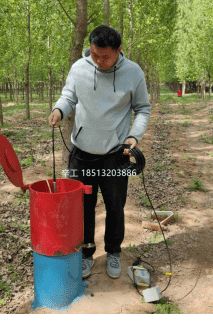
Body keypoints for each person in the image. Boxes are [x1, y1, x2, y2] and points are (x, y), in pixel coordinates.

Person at [47, 25, 151, 279]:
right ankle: (86, 254)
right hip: (81, 153)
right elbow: (69, 97)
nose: (99, 61)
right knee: (83, 208)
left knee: (115, 206)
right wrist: (59, 110)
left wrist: (133, 136)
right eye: (95, 55)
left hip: (115, 154)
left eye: (105, 56)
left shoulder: (133, 72)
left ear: (119, 51)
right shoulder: (79, 68)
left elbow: (143, 109)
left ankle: (113, 251)